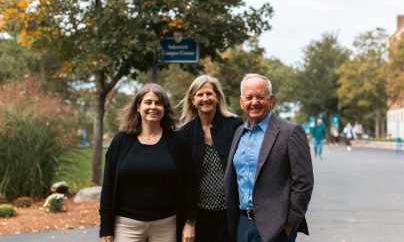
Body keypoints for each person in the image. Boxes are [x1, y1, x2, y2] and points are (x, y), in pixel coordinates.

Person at [99, 83, 196, 242]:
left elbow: (190, 185)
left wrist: (190, 222)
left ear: (164, 109)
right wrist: (105, 227)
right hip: (126, 226)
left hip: (166, 225)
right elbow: (108, 185)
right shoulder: (121, 141)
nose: (153, 107)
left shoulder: (178, 142)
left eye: (158, 103)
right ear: (138, 107)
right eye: (148, 102)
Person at [224, 73, 314, 242]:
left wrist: (289, 224)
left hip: (276, 228)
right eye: (249, 97)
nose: (254, 102)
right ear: (241, 102)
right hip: (241, 225)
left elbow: (303, 182)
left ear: (271, 99)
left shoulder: (291, 132)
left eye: (260, 97)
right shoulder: (238, 133)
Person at [179, 75, 243, 242]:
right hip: (200, 215)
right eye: (200, 95)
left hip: (230, 212)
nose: (205, 98)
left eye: (209, 93)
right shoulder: (184, 134)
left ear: (218, 97)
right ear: (193, 100)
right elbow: (185, 182)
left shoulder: (235, 125)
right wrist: (189, 221)